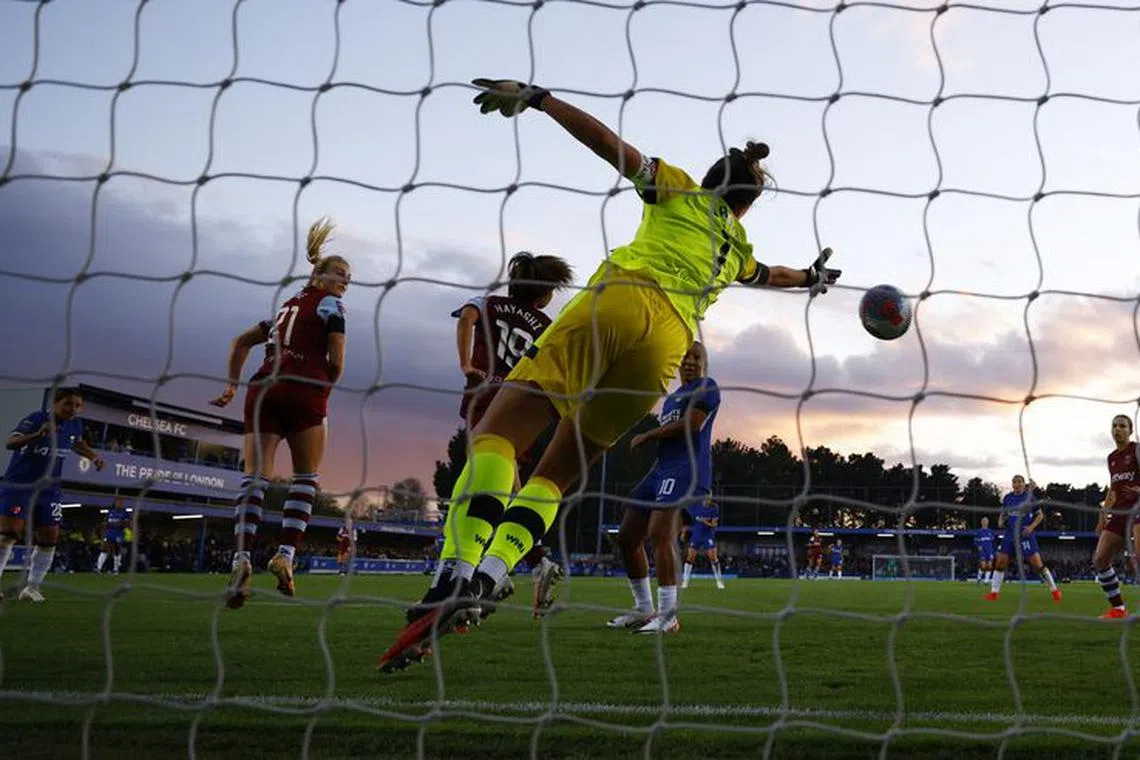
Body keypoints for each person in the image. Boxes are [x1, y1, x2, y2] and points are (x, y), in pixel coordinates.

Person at [377, 76, 840, 671]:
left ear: (708, 182)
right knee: (558, 473)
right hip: (664, 349)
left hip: (621, 300)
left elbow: (608, 144)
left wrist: (540, 99)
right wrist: (812, 279)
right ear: (747, 206)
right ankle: (495, 574)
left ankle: (458, 570)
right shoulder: (736, 250)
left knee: (494, 436)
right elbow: (772, 275)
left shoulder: (678, 190)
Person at [412, 252, 574, 627]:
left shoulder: (489, 303)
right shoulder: (546, 324)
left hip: (487, 396)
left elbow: (466, 318)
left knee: (481, 485)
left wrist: (466, 364)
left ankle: (481, 574)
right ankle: (527, 563)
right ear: (546, 294)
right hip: (520, 403)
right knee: (506, 484)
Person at [210, 217, 349, 608]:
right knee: (306, 476)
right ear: (319, 276)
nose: (344, 283)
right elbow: (337, 360)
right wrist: (326, 384)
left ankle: (240, 560)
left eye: (347, 279)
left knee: (254, 478)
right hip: (305, 386)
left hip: (260, 389)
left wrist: (232, 385)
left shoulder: (285, 310)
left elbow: (240, 342)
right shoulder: (331, 304)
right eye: (339, 275)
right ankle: (284, 555)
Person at [607, 342, 720, 634]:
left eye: (697, 357)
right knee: (627, 536)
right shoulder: (670, 400)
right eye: (685, 357)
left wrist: (648, 435)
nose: (691, 362)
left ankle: (669, 617)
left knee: (659, 533)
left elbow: (691, 426)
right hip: (660, 470)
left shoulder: (707, 386)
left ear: (705, 363)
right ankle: (644, 609)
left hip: (688, 469)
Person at [0, 387, 105, 602]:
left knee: (50, 537)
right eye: (68, 403)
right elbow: (11, 443)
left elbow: (77, 442)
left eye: (77, 405)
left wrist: (93, 456)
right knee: (9, 533)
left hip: (50, 489)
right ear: (54, 404)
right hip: (20, 485)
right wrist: (38, 435)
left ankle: (32, 588)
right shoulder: (36, 419)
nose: (72, 409)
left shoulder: (75, 424)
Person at [984, 475, 1061, 603]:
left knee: (1037, 565)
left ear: (1023, 484)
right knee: (1000, 563)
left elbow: (1040, 515)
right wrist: (1000, 521)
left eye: (1019, 482)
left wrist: (1031, 527)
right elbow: (1003, 513)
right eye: (1014, 482)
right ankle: (994, 593)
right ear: (1012, 484)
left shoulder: (1030, 497)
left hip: (1025, 534)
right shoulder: (1008, 498)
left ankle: (1055, 590)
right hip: (1009, 533)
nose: (1017, 484)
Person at [1093, 414, 1140, 619]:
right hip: (1120, 511)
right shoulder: (1111, 458)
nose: (1117, 429)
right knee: (1100, 559)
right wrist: (1103, 513)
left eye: (1122, 426)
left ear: (1130, 431)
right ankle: (1118, 609)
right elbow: (1113, 489)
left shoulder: (1137, 450)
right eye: (1114, 426)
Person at [682, 497, 724, 590]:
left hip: (707, 535)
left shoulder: (714, 509)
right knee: (690, 558)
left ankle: (719, 581)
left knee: (713, 557)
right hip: (696, 535)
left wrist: (704, 521)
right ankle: (685, 581)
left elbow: (714, 524)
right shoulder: (695, 506)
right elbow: (685, 514)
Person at [96, 498, 129, 575]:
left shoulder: (124, 513)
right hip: (109, 533)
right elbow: (105, 522)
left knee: (116, 550)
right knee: (104, 549)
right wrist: (106, 526)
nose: (119, 504)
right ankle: (98, 568)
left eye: (121, 503)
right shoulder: (110, 512)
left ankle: (116, 569)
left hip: (118, 534)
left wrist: (118, 524)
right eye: (118, 503)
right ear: (115, 503)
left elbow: (127, 524)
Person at [974, 516, 995, 584]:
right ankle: (979, 578)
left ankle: (986, 580)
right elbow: (975, 541)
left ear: (988, 522)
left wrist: (994, 550)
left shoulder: (990, 531)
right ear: (981, 522)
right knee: (983, 566)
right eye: (984, 521)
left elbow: (993, 542)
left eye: (986, 521)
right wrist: (978, 546)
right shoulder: (979, 532)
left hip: (990, 551)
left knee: (989, 565)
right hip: (982, 551)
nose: (985, 522)